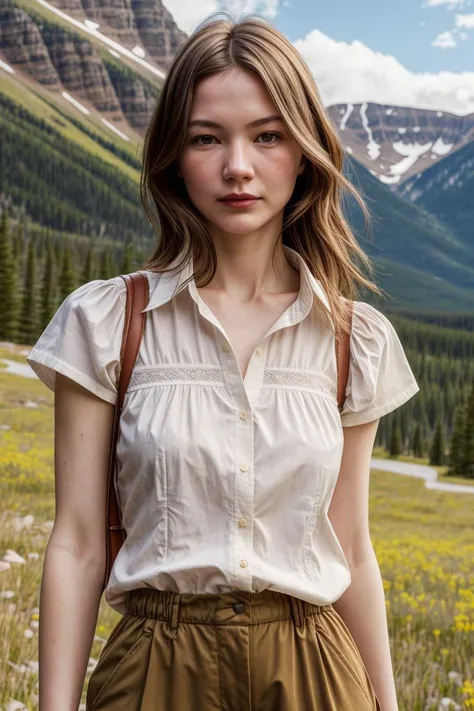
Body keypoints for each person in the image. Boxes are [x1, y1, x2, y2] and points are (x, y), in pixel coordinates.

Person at [26, 12, 420, 711]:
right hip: (153, 668)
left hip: (316, 673)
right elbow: (79, 543)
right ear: (175, 156)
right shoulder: (107, 321)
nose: (238, 166)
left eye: (267, 136)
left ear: (303, 153)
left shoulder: (352, 338)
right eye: (207, 138)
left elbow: (353, 547)